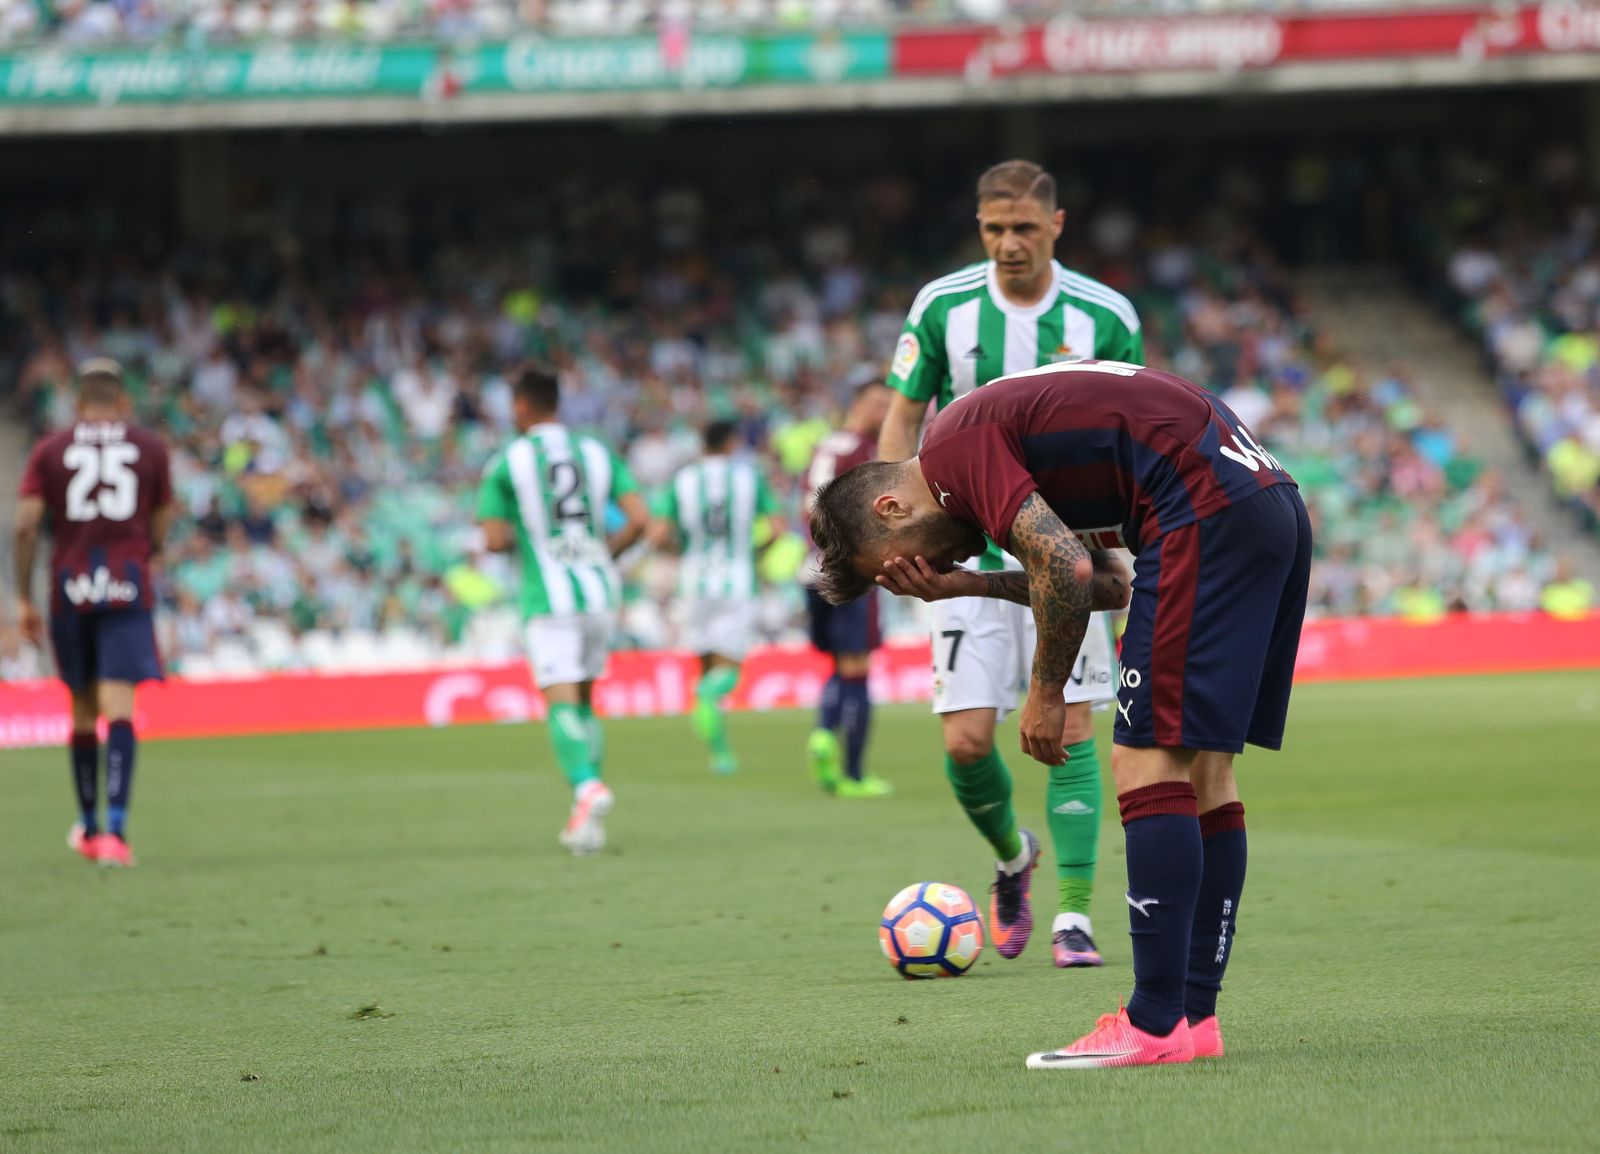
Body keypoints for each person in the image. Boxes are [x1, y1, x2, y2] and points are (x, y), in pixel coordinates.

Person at [809, 361, 1311, 1069]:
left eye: (895, 567)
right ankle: (1194, 1017)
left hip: (1200, 511)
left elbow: (1068, 573)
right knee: (1206, 772)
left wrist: (1045, 693)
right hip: (1265, 502)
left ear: (891, 509)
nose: (914, 572)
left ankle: (1154, 1021)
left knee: (1145, 759)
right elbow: (1109, 581)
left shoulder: (955, 449)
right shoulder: (1007, 458)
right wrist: (965, 583)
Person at [878, 159, 1143, 968]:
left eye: (1024, 228)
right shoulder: (943, 308)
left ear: (1056, 226)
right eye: (994, 229)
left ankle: (1073, 918)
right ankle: (1011, 856)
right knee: (964, 742)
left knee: (1068, 726)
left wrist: (1120, 558)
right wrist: (898, 526)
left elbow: (1132, 437)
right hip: (966, 554)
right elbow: (900, 423)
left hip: (1074, 549)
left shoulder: (1105, 316)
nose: (1007, 245)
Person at [477, 363, 649, 856]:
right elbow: (639, 518)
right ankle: (586, 822)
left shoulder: (506, 461)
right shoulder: (595, 452)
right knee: (585, 702)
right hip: (599, 593)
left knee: (560, 701)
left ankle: (586, 787)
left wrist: (521, 531)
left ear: (521, 407)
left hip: (548, 598)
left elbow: (492, 539)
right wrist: (603, 556)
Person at [14, 358, 173, 869]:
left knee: (82, 711)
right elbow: (163, 514)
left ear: (77, 406)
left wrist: (23, 595)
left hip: (69, 587)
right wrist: (147, 551)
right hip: (126, 585)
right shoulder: (150, 448)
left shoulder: (51, 449)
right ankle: (118, 835)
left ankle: (89, 827)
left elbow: (24, 525)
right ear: (123, 403)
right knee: (120, 708)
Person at [649, 419, 783, 776]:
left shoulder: (683, 480)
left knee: (706, 664)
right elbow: (777, 528)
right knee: (729, 672)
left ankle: (720, 754)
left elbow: (658, 534)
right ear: (731, 442)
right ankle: (709, 705)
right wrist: (754, 554)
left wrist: (686, 550)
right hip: (737, 582)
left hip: (694, 584)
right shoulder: (748, 477)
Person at [802, 379, 894, 799]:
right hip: (850, 572)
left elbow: (809, 506)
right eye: (880, 404)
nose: (886, 412)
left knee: (841, 665)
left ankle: (824, 732)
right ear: (859, 404)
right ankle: (854, 773)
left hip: (813, 571)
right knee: (858, 668)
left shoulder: (825, 446)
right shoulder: (861, 452)